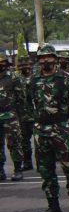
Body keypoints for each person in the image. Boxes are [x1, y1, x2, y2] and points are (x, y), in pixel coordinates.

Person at [28, 44, 69, 212]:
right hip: (41, 129)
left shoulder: (66, 79)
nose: (46, 60)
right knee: (46, 170)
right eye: (42, 58)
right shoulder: (33, 80)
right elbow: (28, 104)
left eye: (49, 57)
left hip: (61, 128)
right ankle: (53, 207)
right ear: (38, 60)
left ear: (55, 59)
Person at [0, 53, 26, 182]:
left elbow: (21, 98)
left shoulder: (14, 78)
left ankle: (18, 170)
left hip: (10, 115)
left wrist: (19, 115)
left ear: (6, 64)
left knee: (14, 143)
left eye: (2, 62)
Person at [16, 57, 35, 171]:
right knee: (24, 141)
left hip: (36, 114)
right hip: (23, 115)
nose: (25, 68)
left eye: (27, 65)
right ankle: (27, 162)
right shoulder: (17, 80)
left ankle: (41, 163)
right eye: (22, 66)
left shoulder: (36, 78)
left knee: (40, 142)